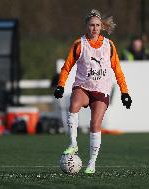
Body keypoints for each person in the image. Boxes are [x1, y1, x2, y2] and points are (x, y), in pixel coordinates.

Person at [54, 9, 132, 174]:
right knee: (73, 105)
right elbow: (67, 67)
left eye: (97, 25)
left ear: (102, 26)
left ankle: (91, 163)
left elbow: (117, 69)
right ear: (86, 26)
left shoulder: (108, 45)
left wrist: (124, 92)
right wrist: (61, 85)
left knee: (95, 124)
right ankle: (73, 144)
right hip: (83, 86)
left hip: (101, 89)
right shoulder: (79, 44)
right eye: (91, 25)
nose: (95, 28)